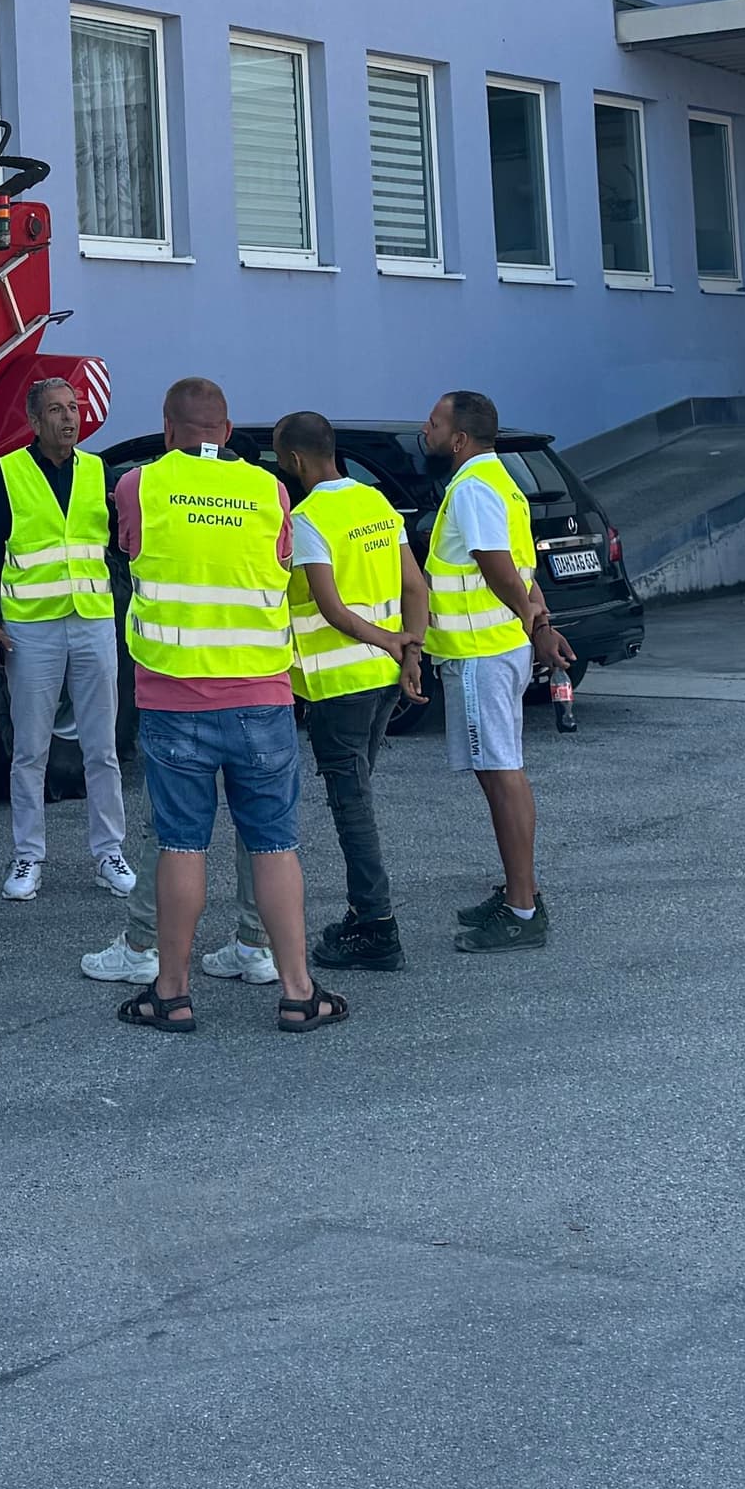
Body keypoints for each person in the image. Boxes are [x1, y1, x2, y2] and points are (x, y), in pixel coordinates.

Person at [108, 378, 344, 1034]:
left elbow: (134, 552)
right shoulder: (270, 491)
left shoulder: (139, 487)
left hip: (174, 698)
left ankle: (172, 993)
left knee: (182, 845)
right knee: (274, 844)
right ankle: (298, 991)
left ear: (167, 428)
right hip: (260, 697)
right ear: (228, 425)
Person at [269, 413, 429, 972]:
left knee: (351, 808)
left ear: (292, 461)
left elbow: (332, 609)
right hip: (384, 682)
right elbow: (415, 585)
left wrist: (389, 641)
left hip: (340, 686)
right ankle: (367, 918)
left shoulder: (310, 518)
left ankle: (377, 925)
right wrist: (409, 652)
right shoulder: (376, 504)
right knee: (358, 800)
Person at [421, 390, 575, 952]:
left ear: (458, 438)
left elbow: (498, 568)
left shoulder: (473, 488)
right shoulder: (502, 481)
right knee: (498, 770)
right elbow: (523, 570)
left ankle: (523, 908)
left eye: (434, 423)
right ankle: (519, 888)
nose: (426, 430)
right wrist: (539, 626)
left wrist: (536, 624)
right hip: (492, 648)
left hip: (482, 653)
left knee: (503, 772)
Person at [0, 376, 132, 903]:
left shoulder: (96, 470)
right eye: (58, 410)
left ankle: (109, 852)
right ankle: (28, 857)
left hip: (91, 620)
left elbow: (117, 544)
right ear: (35, 421)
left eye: (75, 407)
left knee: (102, 748)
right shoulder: (11, 473)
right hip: (31, 627)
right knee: (30, 750)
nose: (70, 417)